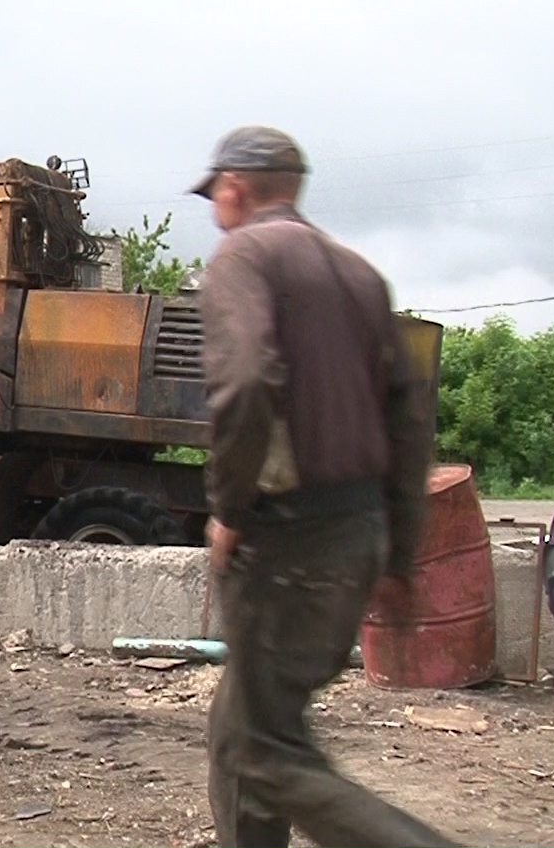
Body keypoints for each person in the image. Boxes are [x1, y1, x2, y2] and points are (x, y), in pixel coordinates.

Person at [191, 125, 457, 848]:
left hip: (288, 539)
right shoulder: (362, 276)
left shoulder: (242, 255)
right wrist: (399, 558)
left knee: (262, 752)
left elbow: (245, 382)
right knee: (240, 727)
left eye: (214, 192)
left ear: (236, 187)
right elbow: (411, 425)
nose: (213, 206)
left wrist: (231, 509)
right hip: (357, 532)